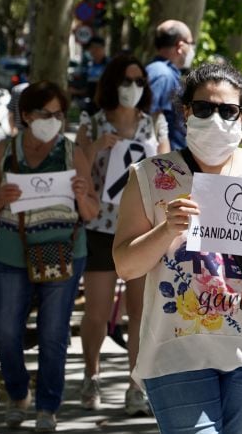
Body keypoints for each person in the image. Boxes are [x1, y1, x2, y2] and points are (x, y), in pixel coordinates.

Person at [111, 62, 242, 433]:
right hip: (177, 351)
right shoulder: (151, 175)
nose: (216, 118)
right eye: (204, 108)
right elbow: (125, 266)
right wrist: (166, 230)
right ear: (186, 111)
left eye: (227, 110)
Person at [0, 81, 99, 432]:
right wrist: (0, 198)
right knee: (5, 331)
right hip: (11, 253)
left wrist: (82, 195)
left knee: (53, 334)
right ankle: (18, 393)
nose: (52, 120)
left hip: (64, 252)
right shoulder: (4, 151)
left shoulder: (72, 153)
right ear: (25, 115)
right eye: (44, 114)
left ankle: (47, 407)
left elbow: (92, 212)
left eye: (58, 114)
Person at [75, 54, 170, 416]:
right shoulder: (93, 122)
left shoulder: (154, 123)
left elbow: (164, 170)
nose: (133, 88)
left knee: (139, 312)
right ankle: (91, 375)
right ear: (112, 84)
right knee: (97, 312)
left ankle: (136, 385)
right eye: (126, 81)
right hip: (99, 230)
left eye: (139, 81)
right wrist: (97, 146)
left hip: (139, 231)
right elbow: (77, 166)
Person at [147, 20, 195, 151]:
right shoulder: (163, 75)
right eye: (191, 43)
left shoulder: (162, 72)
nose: (192, 49)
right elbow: (150, 120)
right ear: (180, 46)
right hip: (163, 164)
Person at [72, 36, 110, 114]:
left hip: (105, 104)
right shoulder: (87, 65)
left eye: (95, 48)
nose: (92, 51)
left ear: (102, 48)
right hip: (88, 103)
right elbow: (81, 84)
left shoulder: (110, 65)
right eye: (91, 48)